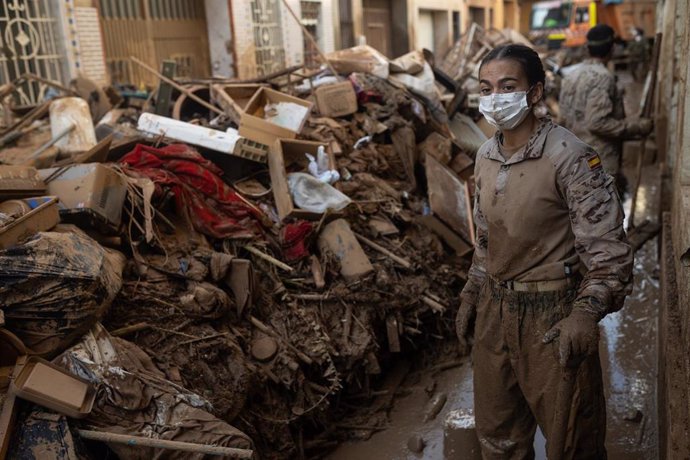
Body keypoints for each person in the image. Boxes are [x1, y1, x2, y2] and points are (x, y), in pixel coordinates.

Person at [455, 44, 633, 459]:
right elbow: (485, 240)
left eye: (507, 86)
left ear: (534, 93)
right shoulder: (485, 156)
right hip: (495, 311)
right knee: (499, 439)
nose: (495, 97)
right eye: (486, 88)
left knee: (573, 442)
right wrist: (471, 291)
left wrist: (585, 313)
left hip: (552, 316)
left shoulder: (569, 157)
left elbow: (610, 255)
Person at [559, 24, 653, 190]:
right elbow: (597, 123)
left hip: (572, 158)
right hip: (598, 162)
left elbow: (564, 118)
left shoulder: (570, 75)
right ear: (612, 48)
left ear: (587, 49)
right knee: (602, 213)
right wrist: (637, 127)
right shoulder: (603, 77)